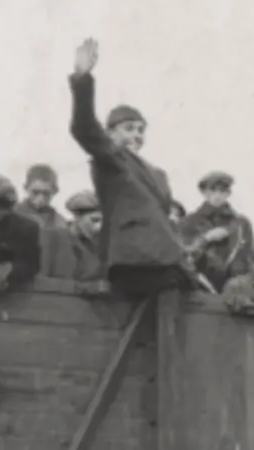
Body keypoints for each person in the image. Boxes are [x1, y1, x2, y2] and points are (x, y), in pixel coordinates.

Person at [68, 38, 188, 296]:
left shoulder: (157, 174)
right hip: (133, 257)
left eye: (141, 130)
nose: (137, 135)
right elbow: (84, 127)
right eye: (129, 128)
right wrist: (82, 78)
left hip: (164, 256)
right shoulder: (112, 158)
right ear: (110, 134)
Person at [180, 170, 254, 292]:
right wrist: (205, 239)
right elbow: (183, 258)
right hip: (201, 289)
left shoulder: (241, 224)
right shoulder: (189, 223)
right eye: (212, 190)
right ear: (204, 192)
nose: (217, 195)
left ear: (228, 193)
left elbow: (250, 258)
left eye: (222, 191)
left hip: (235, 291)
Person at [42, 189, 104, 281]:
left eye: (104, 222)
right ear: (78, 218)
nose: (99, 227)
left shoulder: (101, 245)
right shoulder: (54, 238)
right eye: (94, 220)